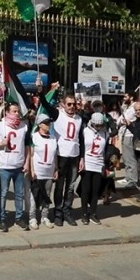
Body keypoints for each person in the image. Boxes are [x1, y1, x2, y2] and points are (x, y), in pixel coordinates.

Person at [37, 82, 82, 227]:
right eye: (69, 104)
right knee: (60, 185)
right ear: (63, 104)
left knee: (71, 186)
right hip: (61, 154)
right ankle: (57, 213)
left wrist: (82, 158)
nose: (71, 107)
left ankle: (67, 211)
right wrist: (40, 91)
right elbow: (45, 103)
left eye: (73, 104)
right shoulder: (58, 115)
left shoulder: (79, 119)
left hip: (74, 155)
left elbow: (80, 138)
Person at [0, 102, 30, 232]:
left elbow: (27, 146)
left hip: (19, 165)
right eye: (14, 111)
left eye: (18, 111)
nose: (17, 114)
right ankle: (1, 219)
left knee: (19, 194)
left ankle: (19, 217)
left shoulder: (24, 126)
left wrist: (27, 162)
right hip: (5, 166)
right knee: (3, 194)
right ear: (7, 112)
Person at [29, 114, 58, 230]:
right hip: (38, 170)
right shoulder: (34, 137)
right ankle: (32, 217)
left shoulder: (53, 137)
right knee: (34, 195)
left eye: (49, 123)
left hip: (49, 170)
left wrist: (56, 169)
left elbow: (54, 154)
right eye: (46, 123)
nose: (48, 125)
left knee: (47, 194)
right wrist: (31, 170)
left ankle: (45, 216)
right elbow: (31, 155)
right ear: (40, 124)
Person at [80, 113, 109, 225]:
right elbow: (82, 146)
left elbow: (105, 149)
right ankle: (84, 213)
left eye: (100, 125)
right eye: (96, 125)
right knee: (86, 190)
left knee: (95, 191)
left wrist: (105, 165)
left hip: (99, 164)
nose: (98, 127)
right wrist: (81, 160)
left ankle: (93, 213)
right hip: (87, 163)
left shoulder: (105, 133)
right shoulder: (85, 131)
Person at [117, 92, 139, 189]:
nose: (124, 98)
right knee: (125, 157)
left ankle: (133, 180)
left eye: (126, 96)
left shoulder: (134, 107)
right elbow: (119, 120)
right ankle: (128, 176)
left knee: (130, 158)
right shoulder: (127, 107)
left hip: (129, 135)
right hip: (123, 134)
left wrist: (121, 121)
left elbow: (125, 120)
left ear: (131, 97)